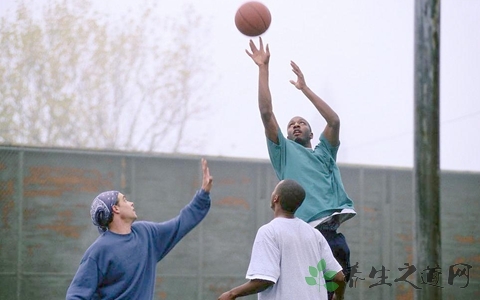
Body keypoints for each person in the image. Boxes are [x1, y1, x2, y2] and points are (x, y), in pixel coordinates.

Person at [246, 37, 356, 299]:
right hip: (304, 236)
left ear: (310, 132)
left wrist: (304, 88)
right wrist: (263, 69)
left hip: (332, 236)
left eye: (301, 122)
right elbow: (265, 112)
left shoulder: (324, 153)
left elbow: (334, 120)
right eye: (291, 124)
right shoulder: (283, 152)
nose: (295, 125)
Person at [66, 158, 213, 300]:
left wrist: (203, 194)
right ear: (115, 208)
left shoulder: (147, 234)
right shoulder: (99, 251)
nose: (130, 203)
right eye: (124, 199)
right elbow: (76, 295)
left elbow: (180, 224)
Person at [218, 179, 345, 300]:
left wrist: (232, 294)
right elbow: (339, 277)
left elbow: (265, 280)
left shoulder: (269, 232)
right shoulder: (315, 234)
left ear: (276, 198)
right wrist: (338, 297)